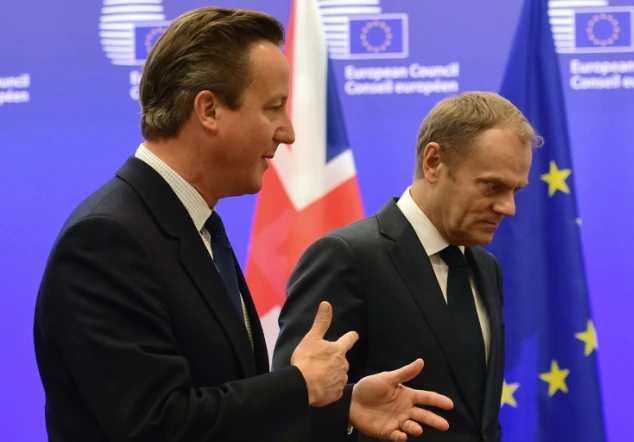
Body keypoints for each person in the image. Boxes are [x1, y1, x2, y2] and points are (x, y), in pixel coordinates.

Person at [32, 7, 453, 442]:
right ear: (209, 110)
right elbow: (154, 425)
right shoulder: (106, 240)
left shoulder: (198, 226)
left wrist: (339, 405)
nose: (288, 133)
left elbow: (224, 401)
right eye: (273, 108)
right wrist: (298, 385)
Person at [273, 91, 540, 441]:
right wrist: (348, 413)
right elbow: (288, 408)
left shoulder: (487, 269)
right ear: (433, 163)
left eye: (515, 191)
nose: (508, 208)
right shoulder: (347, 257)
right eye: (493, 187)